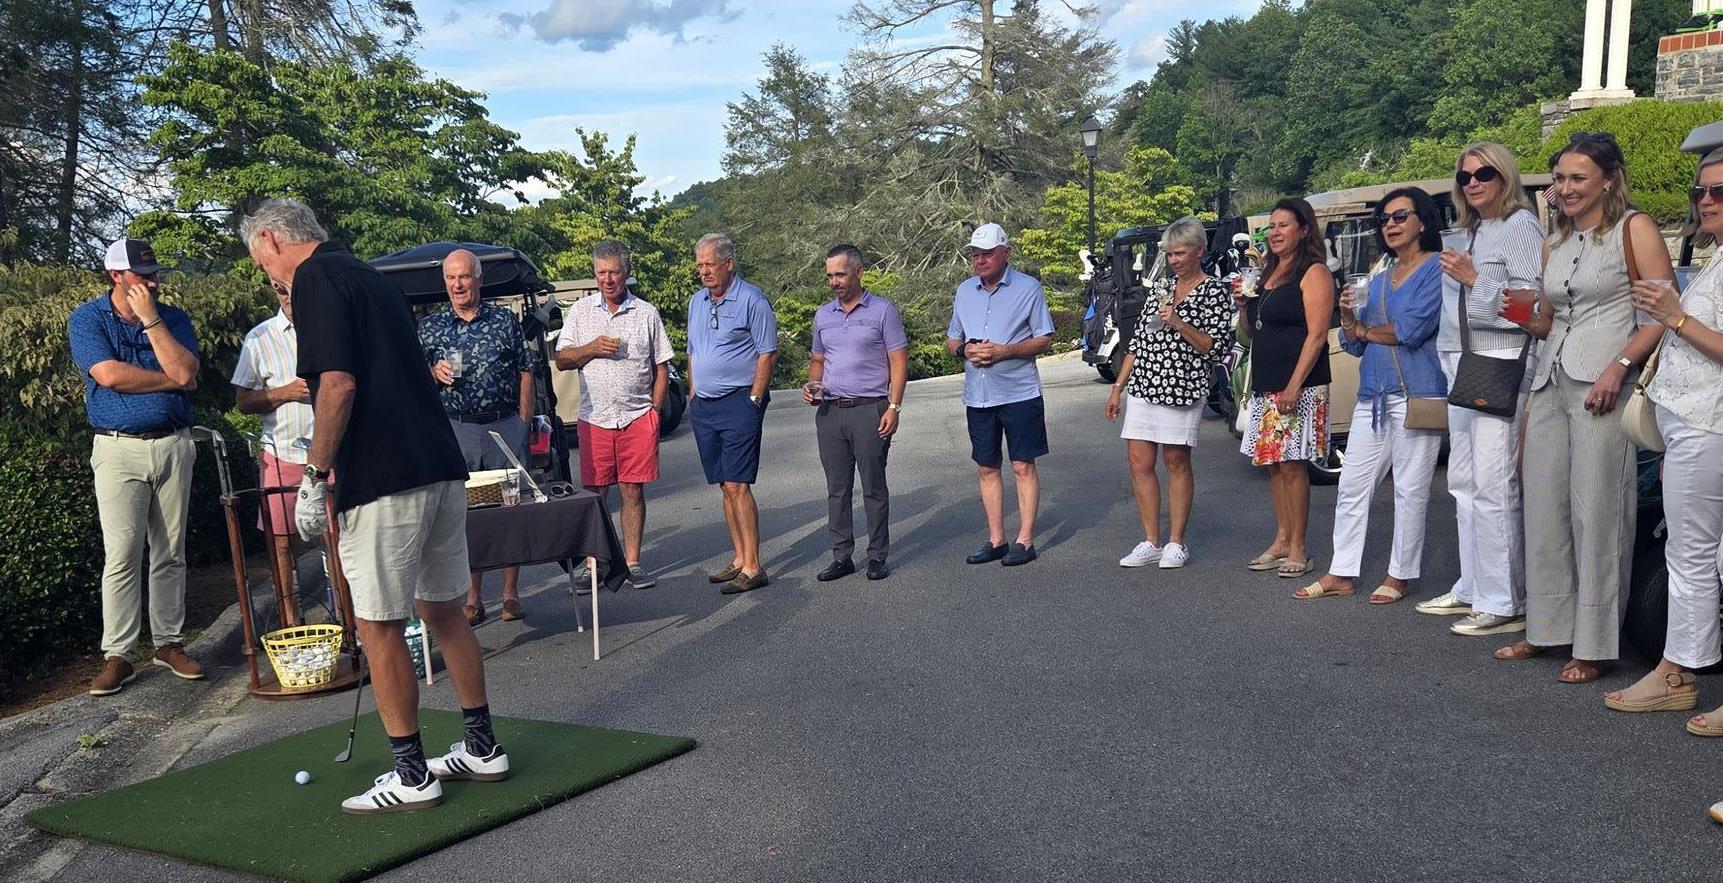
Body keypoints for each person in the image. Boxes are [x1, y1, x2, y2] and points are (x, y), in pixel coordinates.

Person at [242, 198, 506, 814]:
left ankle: (412, 776)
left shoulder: (313, 280)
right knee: (444, 610)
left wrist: (314, 473)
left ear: (275, 240)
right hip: (439, 464)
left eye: (262, 262)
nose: (268, 276)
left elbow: (337, 384)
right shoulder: (367, 274)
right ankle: (482, 746)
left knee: (379, 625)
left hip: (385, 478)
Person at [1492, 133, 1669, 682]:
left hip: (1604, 382)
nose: (1565, 189)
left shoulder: (1634, 228)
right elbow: (1550, 320)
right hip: (1549, 378)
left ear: (1609, 179)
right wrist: (1526, 317)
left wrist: (1620, 366)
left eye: (1576, 178)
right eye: (1560, 179)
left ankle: (1594, 643)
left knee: (1598, 511)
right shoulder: (1556, 240)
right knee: (1544, 507)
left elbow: (1664, 312)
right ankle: (1547, 629)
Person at [1603, 146, 1723, 720]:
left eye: (1719, 192)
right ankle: (1678, 669)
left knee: (1693, 554)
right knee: (1703, 554)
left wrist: (1676, 317)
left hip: (1709, 424)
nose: (1706, 202)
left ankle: (1676, 672)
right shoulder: (1715, 258)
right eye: (1700, 192)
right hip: (1692, 422)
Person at [1413, 142, 1544, 635]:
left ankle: (1505, 600)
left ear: (1503, 176)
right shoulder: (1476, 229)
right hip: (1466, 360)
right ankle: (1473, 585)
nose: (1473, 182)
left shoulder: (1519, 227)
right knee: (1463, 482)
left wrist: (1474, 281)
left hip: (1503, 361)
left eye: (1483, 173)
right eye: (1465, 176)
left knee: (1493, 484)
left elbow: (1529, 310)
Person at [68, 237, 204, 695]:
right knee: (123, 552)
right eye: (141, 276)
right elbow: (108, 375)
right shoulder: (89, 319)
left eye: (154, 274)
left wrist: (151, 320)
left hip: (173, 444)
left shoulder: (172, 318)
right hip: (117, 449)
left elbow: (187, 375)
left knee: (171, 551)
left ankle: (168, 643)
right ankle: (119, 654)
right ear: (115, 276)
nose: (151, 282)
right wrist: (168, 379)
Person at [1297, 189, 1446, 602]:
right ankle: (1342, 570)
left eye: (1400, 216)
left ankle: (1401, 574)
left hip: (1418, 393)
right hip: (1374, 395)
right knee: (1352, 485)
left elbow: (1412, 331)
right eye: (1384, 219)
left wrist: (1363, 330)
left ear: (1422, 221)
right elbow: (1356, 344)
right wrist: (1347, 317)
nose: (1391, 225)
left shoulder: (1437, 270)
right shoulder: (1378, 275)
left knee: (1411, 489)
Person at [1103, 216, 1233, 570]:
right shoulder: (1160, 288)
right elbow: (1138, 342)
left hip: (1182, 385)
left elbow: (1215, 346)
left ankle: (1177, 541)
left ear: (1199, 251)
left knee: (1176, 462)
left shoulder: (1214, 292)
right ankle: (1150, 540)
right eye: (1169, 254)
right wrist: (1118, 387)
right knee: (1139, 463)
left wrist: (1179, 322)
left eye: (1180, 253)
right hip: (1145, 382)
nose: (1174, 260)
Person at [417, 249, 535, 625]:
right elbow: (412, 379)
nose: (457, 285)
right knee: (464, 514)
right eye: (451, 278)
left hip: (504, 425)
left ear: (478, 279)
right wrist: (432, 373)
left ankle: (510, 592)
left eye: (464, 277)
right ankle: (472, 597)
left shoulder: (504, 320)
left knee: (510, 510)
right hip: (457, 427)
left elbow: (526, 370)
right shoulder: (430, 328)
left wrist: (524, 421)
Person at [554, 240, 674, 589]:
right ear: (595, 275)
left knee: (632, 490)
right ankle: (594, 565)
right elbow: (562, 359)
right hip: (596, 417)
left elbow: (662, 365)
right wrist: (592, 348)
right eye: (601, 272)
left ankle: (632, 562)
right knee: (594, 495)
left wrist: (655, 411)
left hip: (637, 415)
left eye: (614, 272)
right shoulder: (580, 312)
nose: (608, 279)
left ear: (627, 273)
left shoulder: (646, 313)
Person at [1233, 199, 1333, 579]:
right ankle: (1280, 538)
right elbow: (1247, 333)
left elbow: (1318, 334)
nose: (1274, 233)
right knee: (1273, 465)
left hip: (1300, 384)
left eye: (1283, 226)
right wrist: (1244, 306)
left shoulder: (1313, 272)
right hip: (1267, 383)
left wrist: (1294, 384)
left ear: (1304, 229)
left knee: (1293, 466)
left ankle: (1299, 547)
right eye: (1271, 227)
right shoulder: (1267, 274)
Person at [946, 223, 1055, 567]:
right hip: (978, 394)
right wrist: (965, 350)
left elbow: (1044, 338)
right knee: (986, 467)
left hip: (1019, 391)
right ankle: (996, 539)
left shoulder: (1028, 288)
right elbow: (952, 340)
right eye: (975, 255)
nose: (979, 260)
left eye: (987, 254)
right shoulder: (964, 291)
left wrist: (1005, 352)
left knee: (1022, 464)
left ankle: (1024, 540)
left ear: (1006, 253)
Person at [804, 244, 908, 582]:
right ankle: (842, 556)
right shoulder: (823, 315)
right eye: (830, 276)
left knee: (874, 486)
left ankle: (877, 556)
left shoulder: (883, 311)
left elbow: (898, 362)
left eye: (840, 274)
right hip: (831, 412)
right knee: (837, 488)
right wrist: (812, 386)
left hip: (870, 409)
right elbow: (818, 361)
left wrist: (893, 407)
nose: (834, 281)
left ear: (859, 272)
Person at [686, 233, 778, 593]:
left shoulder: (752, 299)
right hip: (704, 405)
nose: (704, 271)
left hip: (739, 401)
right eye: (699, 265)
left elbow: (767, 353)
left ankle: (754, 567)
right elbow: (692, 351)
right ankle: (739, 558)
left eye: (710, 264)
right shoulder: (697, 302)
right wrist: (693, 393)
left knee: (739, 484)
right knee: (725, 485)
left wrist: (753, 399)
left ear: (728, 263)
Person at [232, 279, 317, 624]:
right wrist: (285, 392)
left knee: (337, 539)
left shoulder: (329, 329)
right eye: (283, 292)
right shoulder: (260, 337)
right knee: (282, 545)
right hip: (280, 454)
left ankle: (349, 622)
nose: (291, 299)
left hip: (329, 454)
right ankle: (290, 621)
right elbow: (243, 402)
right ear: (276, 293)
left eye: (298, 291)